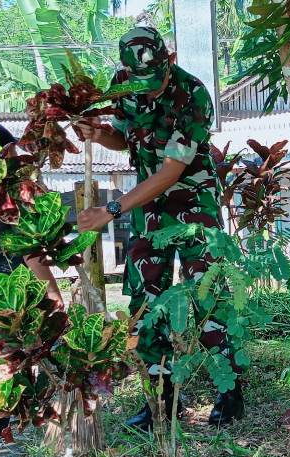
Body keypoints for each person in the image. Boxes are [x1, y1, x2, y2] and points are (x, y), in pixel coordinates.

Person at [76, 27, 242, 429]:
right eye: (139, 83)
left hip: (193, 203)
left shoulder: (193, 94)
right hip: (147, 208)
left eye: (155, 81)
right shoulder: (123, 84)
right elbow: (126, 139)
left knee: (208, 295)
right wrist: (100, 134)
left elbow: (172, 170)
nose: (147, 91)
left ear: (169, 59)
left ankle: (230, 392)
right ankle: (161, 400)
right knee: (145, 304)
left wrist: (111, 209)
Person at [0, 124, 63, 455]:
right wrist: (52, 293)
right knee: (8, 360)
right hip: (2, 290)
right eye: (10, 152)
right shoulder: (3, 196)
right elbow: (31, 249)